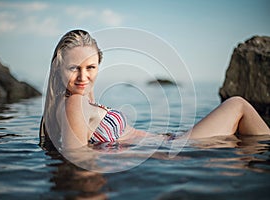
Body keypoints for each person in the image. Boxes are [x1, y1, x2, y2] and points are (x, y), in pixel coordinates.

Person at [40, 29, 270, 151]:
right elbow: (77, 159)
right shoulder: (72, 103)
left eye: (90, 67)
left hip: (167, 143)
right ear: (59, 68)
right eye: (74, 68)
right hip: (168, 149)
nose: (83, 76)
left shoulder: (76, 101)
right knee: (237, 104)